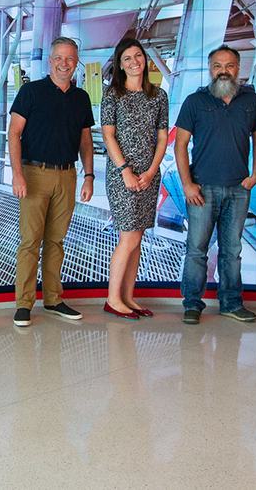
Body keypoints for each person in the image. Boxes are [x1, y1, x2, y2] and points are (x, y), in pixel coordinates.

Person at [173, 44, 256, 325]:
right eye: (217, 66)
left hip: (239, 189)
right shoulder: (195, 101)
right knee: (196, 249)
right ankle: (192, 304)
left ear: (238, 69)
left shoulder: (251, 101)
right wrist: (187, 184)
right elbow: (180, 144)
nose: (223, 71)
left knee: (232, 251)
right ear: (210, 69)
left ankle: (231, 304)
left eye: (229, 66)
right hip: (202, 189)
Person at [8, 37, 95, 327]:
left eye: (70, 58)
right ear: (50, 60)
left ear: (76, 62)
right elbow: (14, 133)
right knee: (30, 241)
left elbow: (85, 141)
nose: (64, 63)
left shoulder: (81, 98)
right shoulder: (31, 91)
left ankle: (53, 299)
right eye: (59, 57)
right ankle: (24, 304)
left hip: (67, 176)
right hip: (34, 174)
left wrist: (89, 176)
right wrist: (17, 174)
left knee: (56, 241)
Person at [99, 38, 169, 320]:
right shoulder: (112, 94)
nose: (133, 62)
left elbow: (162, 137)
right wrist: (126, 170)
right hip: (122, 175)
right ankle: (113, 299)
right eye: (127, 58)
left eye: (137, 56)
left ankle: (128, 296)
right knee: (128, 236)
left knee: (138, 237)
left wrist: (151, 171)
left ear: (145, 59)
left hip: (149, 174)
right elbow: (108, 135)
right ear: (120, 64)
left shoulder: (158, 95)